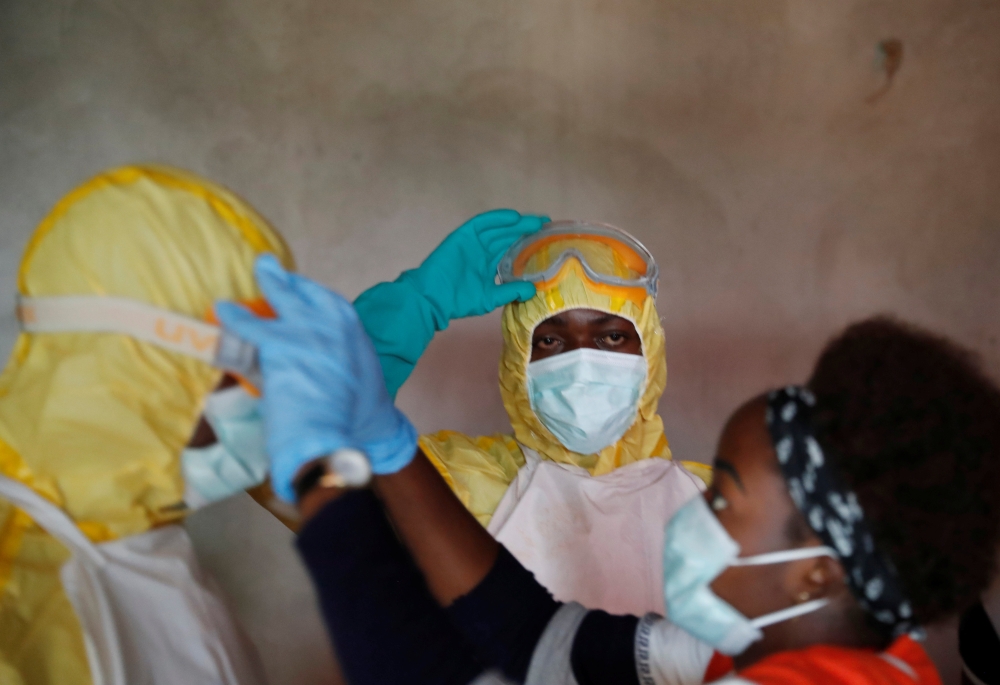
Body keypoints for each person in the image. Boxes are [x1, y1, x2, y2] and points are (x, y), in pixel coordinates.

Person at [219, 257, 1000, 685]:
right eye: (553, 338)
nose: (699, 512)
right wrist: (387, 445)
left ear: (815, 573)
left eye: (724, 496)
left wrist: (329, 495)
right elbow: (546, 638)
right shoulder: (821, 650)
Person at [0, 165, 290, 684]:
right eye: (244, 377)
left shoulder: (136, 538)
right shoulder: (26, 613)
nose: (269, 403)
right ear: (148, 381)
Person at [353, 215, 709, 615]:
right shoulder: (460, 484)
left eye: (611, 336)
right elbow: (298, 460)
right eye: (551, 340)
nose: (583, 363)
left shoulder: (720, 504)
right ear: (518, 359)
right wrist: (413, 306)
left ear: (650, 352)